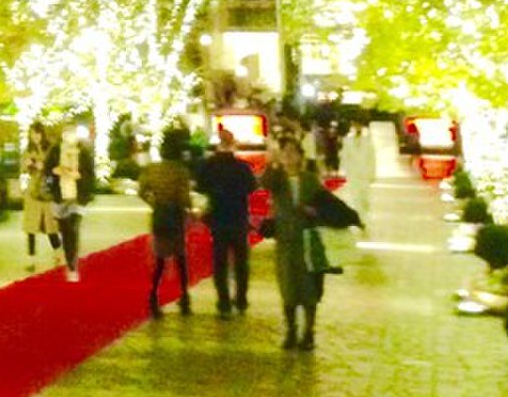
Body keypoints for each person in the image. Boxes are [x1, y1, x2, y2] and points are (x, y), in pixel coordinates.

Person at [260, 134, 363, 350]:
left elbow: (325, 203)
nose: (289, 156)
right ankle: (290, 331)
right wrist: (274, 161)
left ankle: (308, 332)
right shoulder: (278, 178)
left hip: (308, 240)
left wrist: (313, 211)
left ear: (300, 156)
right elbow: (264, 183)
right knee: (288, 290)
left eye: (293, 152)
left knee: (310, 291)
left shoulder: (309, 179)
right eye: (285, 152)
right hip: (286, 242)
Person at [191, 126, 257, 315]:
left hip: (218, 218)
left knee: (220, 262)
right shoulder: (242, 167)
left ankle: (224, 301)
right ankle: (241, 299)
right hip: (238, 217)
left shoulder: (209, 167)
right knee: (241, 262)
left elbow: (200, 187)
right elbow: (251, 187)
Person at [135, 125, 194, 317]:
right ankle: (184, 298)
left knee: (160, 261)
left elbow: (141, 191)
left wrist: (154, 202)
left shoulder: (153, 169)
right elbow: (185, 198)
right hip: (175, 216)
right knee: (180, 259)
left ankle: (153, 297)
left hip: (160, 215)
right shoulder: (181, 171)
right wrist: (190, 211)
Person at [46, 122, 97, 282]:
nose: (69, 136)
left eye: (72, 133)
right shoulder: (55, 151)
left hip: (78, 196)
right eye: (66, 133)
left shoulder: (83, 151)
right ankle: (70, 261)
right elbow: (47, 170)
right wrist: (55, 171)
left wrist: (79, 175)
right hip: (60, 196)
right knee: (65, 230)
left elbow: (90, 173)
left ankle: (72, 267)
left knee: (73, 229)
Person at [20, 121, 61, 273]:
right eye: (32, 134)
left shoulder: (51, 149)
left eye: (37, 133)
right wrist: (28, 164)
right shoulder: (28, 149)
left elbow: (55, 167)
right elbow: (23, 168)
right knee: (31, 227)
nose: (35, 137)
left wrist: (43, 166)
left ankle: (58, 254)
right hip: (33, 192)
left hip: (47, 191)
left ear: (42, 134)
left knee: (51, 227)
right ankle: (31, 259)